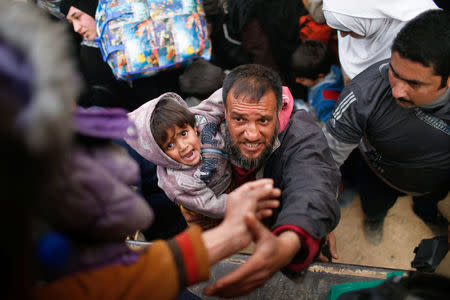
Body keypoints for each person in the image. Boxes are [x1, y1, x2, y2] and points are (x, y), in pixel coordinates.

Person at [195, 64, 341, 298]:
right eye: (239, 119)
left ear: (279, 111)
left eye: (263, 120)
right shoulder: (204, 128)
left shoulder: (301, 134)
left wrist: (293, 239)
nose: (251, 134)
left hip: (284, 212)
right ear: (225, 112)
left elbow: (314, 181)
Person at [322, 10, 450, 245]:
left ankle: (428, 213)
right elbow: (323, 162)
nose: (397, 91)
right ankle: (374, 219)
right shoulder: (362, 97)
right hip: (382, 177)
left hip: (438, 181)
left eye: (414, 83)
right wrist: (315, 214)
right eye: (395, 72)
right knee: (375, 204)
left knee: (430, 203)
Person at [125, 92, 232, 220]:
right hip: (218, 211)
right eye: (169, 145)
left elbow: (224, 96)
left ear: (193, 125)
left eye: (183, 133)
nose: (182, 146)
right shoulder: (179, 183)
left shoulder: (203, 122)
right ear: (159, 154)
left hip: (235, 175)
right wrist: (251, 196)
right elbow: (215, 206)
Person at [322, 0, 438, 81]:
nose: (342, 36)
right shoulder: (349, 14)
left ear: (370, 20)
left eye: (348, 31)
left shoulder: (424, 33)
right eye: (338, 30)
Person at [291, 39, 344, 124]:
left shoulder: (325, 103)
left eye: (302, 79)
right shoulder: (332, 69)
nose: (297, 81)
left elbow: (328, 128)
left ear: (320, 76)